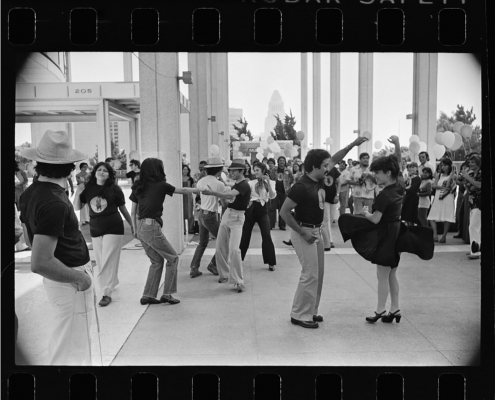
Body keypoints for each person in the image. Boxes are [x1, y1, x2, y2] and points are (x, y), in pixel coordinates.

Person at [19, 130, 94, 365]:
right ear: (70, 167)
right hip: (69, 279)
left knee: (67, 342)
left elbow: (30, 239)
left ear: (39, 163)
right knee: (71, 350)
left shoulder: (31, 193)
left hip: (62, 277)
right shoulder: (53, 202)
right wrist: (81, 279)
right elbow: (40, 262)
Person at [280, 137, 369, 329]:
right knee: (310, 273)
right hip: (304, 232)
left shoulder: (319, 179)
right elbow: (284, 212)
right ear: (313, 167)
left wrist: (352, 144)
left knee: (318, 274)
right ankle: (299, 314)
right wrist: (303, 233)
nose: (328, 169)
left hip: (316, 231)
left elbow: (335, 158)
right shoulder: (301, 187)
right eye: (324, 166)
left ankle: (311, 310)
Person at [338, 150, 434, 325]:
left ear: (387, 173)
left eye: (378, 172)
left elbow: (375, 219)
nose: (375, 175)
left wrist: (366, 213)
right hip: (396, 232)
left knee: (382, 275)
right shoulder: (397, 187)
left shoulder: (384, 194)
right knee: (391, 274)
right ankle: (395, 309)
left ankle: (380, 310)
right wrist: (397, 145)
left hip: (387, 236)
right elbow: (396, 165)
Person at [130, 158, 202, 305]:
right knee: (173, 258)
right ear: (158, 170)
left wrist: (135, 230)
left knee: (156, 261)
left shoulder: (139, 186)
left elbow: (133, 212)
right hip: (151, 226)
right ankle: (167, 294)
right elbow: (182, 190)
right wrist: (199, 189)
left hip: (142, 227)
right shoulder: (160, 185)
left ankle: (148, 295)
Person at [73, 162, 133, 307]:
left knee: (108, 259)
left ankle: (106, 293)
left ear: (109, 174)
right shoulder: (87, 188)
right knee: (100, 260)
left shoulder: (114, 189)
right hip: (95, 228)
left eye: (105, 171)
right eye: (99, 170)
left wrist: (132, 224)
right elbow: (76, 207)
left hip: (113, 226)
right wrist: (77, 192)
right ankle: (112, 281)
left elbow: (123, 208)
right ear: (94, 173)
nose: (101, 172)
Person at [202, 159, 251, 293]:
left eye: (234, 170)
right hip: (227, 215)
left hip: (237, 218)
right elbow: (228, 191)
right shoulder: (236, 183)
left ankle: (238, 281)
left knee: (234, 249)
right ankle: (224, 274)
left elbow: (229, 194)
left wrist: (212, 193)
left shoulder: (244, 185)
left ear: (242, 171)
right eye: (230, 170)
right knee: (220, 247)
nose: (232, 172)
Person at [189, 157, 225, 278]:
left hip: (201, 214)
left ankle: (194, 268)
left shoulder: (201, 181)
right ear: (219, 170)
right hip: (210, 216)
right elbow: (224, 203)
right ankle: (213, 264)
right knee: (224, 240)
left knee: (202, 243)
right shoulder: (219, 184)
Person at [239, 162, 277, 271]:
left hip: (263, 210)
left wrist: (268, 182)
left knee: (266, 235)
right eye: (254, 170)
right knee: (245, 236)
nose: (255, 172)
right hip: (251, 209)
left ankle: (271, 262)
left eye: (257, 170)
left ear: (263, 171)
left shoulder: (271, 182)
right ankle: (238, 260)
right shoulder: (250, 183)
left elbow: (272, 196)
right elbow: (246, 196)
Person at [427, 158, 456, 243]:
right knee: (431, 216)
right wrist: (443, 188)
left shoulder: (453, 175)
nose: (443, 167)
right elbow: (434, 186)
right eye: (442, 165)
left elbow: (449, 185)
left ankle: (444, 236)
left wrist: (451, 175)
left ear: (449, 166)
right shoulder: (438, 175)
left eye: (445, 165)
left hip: (448, 197)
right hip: (438, 196)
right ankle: (435, 235)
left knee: (447, 217)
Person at [462, 154, 481, 259]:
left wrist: (468, 177)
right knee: (476, 227)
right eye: (470, 162)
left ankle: (475, 251)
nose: (470, 163)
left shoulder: (481, 173)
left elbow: (479, 185)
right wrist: (466, 179)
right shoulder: (473, 173)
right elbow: (469, 187)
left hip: (479, 202)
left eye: (473, 162)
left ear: (478, 163)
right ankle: (475, 249)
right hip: (472, 202)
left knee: (473, 226)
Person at [269, 156, 294, 230]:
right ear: (278, 161)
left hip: (284, 192)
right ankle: (271, 224)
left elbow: (292, 179)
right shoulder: (274, 169)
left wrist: (289, 186)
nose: (282, 162)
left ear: (285, 162)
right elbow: (271, 178)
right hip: (275, 191)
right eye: (280, 160)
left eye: (283, 160)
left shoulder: (288, 170)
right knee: (272, 208)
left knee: (283, 209)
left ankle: (282, 225)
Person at [321, 163, 341, 250]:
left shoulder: (334, 169)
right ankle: (329, 241)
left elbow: (339, 181)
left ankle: (326, 238)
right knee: (327, 219)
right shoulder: (320, 168)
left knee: (332, 218)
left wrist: (337, 194)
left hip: (333, 197)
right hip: (323, 197)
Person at [401, 162, 421, 226]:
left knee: (411, 216)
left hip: (413, 199)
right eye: (410, 167)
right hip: (407, 198)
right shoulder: (408, 178)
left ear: (416, 168)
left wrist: (405, 188)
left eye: (413, 167)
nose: (411, 169)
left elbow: (412, 189)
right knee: (406, 216)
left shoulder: (417, 178)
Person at [182, 164, 196, 234]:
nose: (185, 171)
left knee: (190, 212)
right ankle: (183, 229)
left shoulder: (191, 179)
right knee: (182, 213)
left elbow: (194, 188)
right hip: (181, 196)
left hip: (189, 196)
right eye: (184, 169)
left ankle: (191, 229)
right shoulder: (179, 178)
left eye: (186, 169)